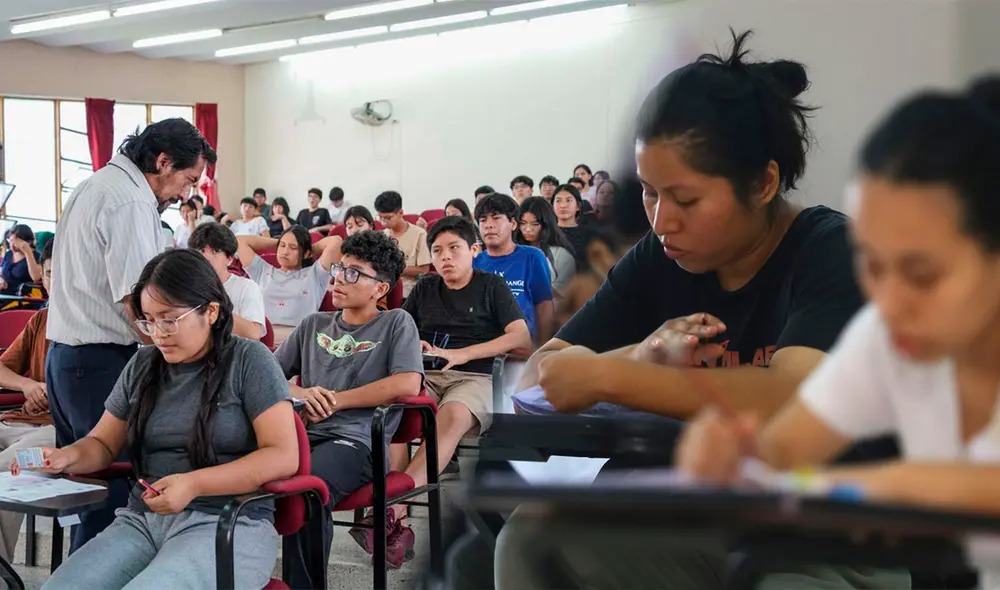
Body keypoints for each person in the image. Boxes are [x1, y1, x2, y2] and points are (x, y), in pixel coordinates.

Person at [31, 249, 298, 590]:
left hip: (229, 522)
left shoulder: (249, 360)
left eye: (169, 319)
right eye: (148, 320)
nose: (157, 333)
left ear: (211, 311)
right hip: (144, 520)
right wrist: (66, 456)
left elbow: (283, 456)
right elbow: (101, 443)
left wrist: (194, 484)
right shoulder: (144, 365)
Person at [47, 117, 216, 550]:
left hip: (69, 358)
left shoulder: (97, 184)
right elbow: (140, 303)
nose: (187, 193)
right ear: (163, 161)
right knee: (112, 494)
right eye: (188, 178)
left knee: (90, 491)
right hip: (102, 360)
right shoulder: (130, 202)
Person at [273, 231, 422, 583]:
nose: (339, 278)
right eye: (340, 268)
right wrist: (303, 393)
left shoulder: (396, 323)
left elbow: (406, 384)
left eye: (353, 273)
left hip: (358, 443)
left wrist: (337, 401)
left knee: (306, 490)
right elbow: (268, 378)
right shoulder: (314, 324)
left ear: (380, 289)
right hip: (303, 436)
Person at [390, 217, 530, 552]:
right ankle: (397, 515)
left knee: (450, 417)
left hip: (475, 376)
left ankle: (393, 506)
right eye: (437, 251)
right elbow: (402, 330)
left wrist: (464, 354)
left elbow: (521, 335)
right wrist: (417, 345)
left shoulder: (491, 286)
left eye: (454, 248)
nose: (445, 257)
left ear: (475, 250)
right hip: (427, 373)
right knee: (394, 411)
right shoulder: (425, 287)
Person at [0, 241, 56, 562]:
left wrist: (50, 398)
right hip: (18, 420)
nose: (54, 281)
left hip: (59, 432)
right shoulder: (41, 320)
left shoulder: (100, 325)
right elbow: (3, 367)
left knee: (7, 476)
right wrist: (27, 386)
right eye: (48, 274)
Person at [237, 227, 342, 345]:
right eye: (282, 246)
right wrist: (278, 243)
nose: (285, 251)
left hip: (298, 341)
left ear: (306, 253)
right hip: (261, 338)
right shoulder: (263, 270)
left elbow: (336, 242)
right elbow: (240, 241)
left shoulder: (315, 274)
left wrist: (307, 248)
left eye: (293, 248)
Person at [472, 194, 554, 345]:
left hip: (522, 348)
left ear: (513, 224)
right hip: (481, 346)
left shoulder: (532, 257)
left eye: (496, 218)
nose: (489, 225)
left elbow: (544, 305)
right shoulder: (473, 260)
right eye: (483, 220)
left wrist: (542, 346)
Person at [188, 223, 266, 341]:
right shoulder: (186, 288)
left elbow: (254, 334)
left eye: (214, 251)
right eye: (201, 250)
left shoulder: (246, 287)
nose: (206, 256)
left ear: (229, 259)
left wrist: (213, 310)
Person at [375, 190, 431, 298]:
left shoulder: (419, 235)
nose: (383, 222)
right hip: (382, 290)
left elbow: (424, 270)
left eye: (387, 218)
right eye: (380, 217)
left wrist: (393, 269)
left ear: (400, 213)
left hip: (408, 292)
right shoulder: (381, 236)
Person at [515, 197, 576, 295]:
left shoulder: (560, 254)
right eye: (523, 223)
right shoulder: (512, 250)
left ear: (546, 224)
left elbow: (561, 294)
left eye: (535, 224)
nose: (528, 229)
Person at [551, 184, 598, 270]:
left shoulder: (590, 235)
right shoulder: (545, 233)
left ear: (578, 206)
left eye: (568, 200)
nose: (563, 205)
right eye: (558, 201)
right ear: (552, 206)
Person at [0, 224, 41, 295]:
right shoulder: (8, 254)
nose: (12, 245)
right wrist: (1, 280)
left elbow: (36, 277)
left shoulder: (37, 256)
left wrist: (27, 251)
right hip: (4, 295)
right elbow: (1, 272)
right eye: (11, 241)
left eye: (15, 242)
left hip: (22, 298)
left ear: (27, 242)